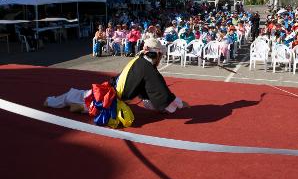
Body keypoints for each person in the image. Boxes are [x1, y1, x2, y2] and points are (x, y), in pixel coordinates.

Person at [44, 38, 189, 125]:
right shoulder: (148, 69)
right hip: (110, 98)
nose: (161, 57)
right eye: (160, 54)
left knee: (83, 96)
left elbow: (147, 93)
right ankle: (53, 102)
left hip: (111, 91)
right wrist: (179, 104)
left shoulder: (140, 61)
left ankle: (75, 106)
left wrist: (165, 106)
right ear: (156, 54)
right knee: (83, 98)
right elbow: (160, 93)